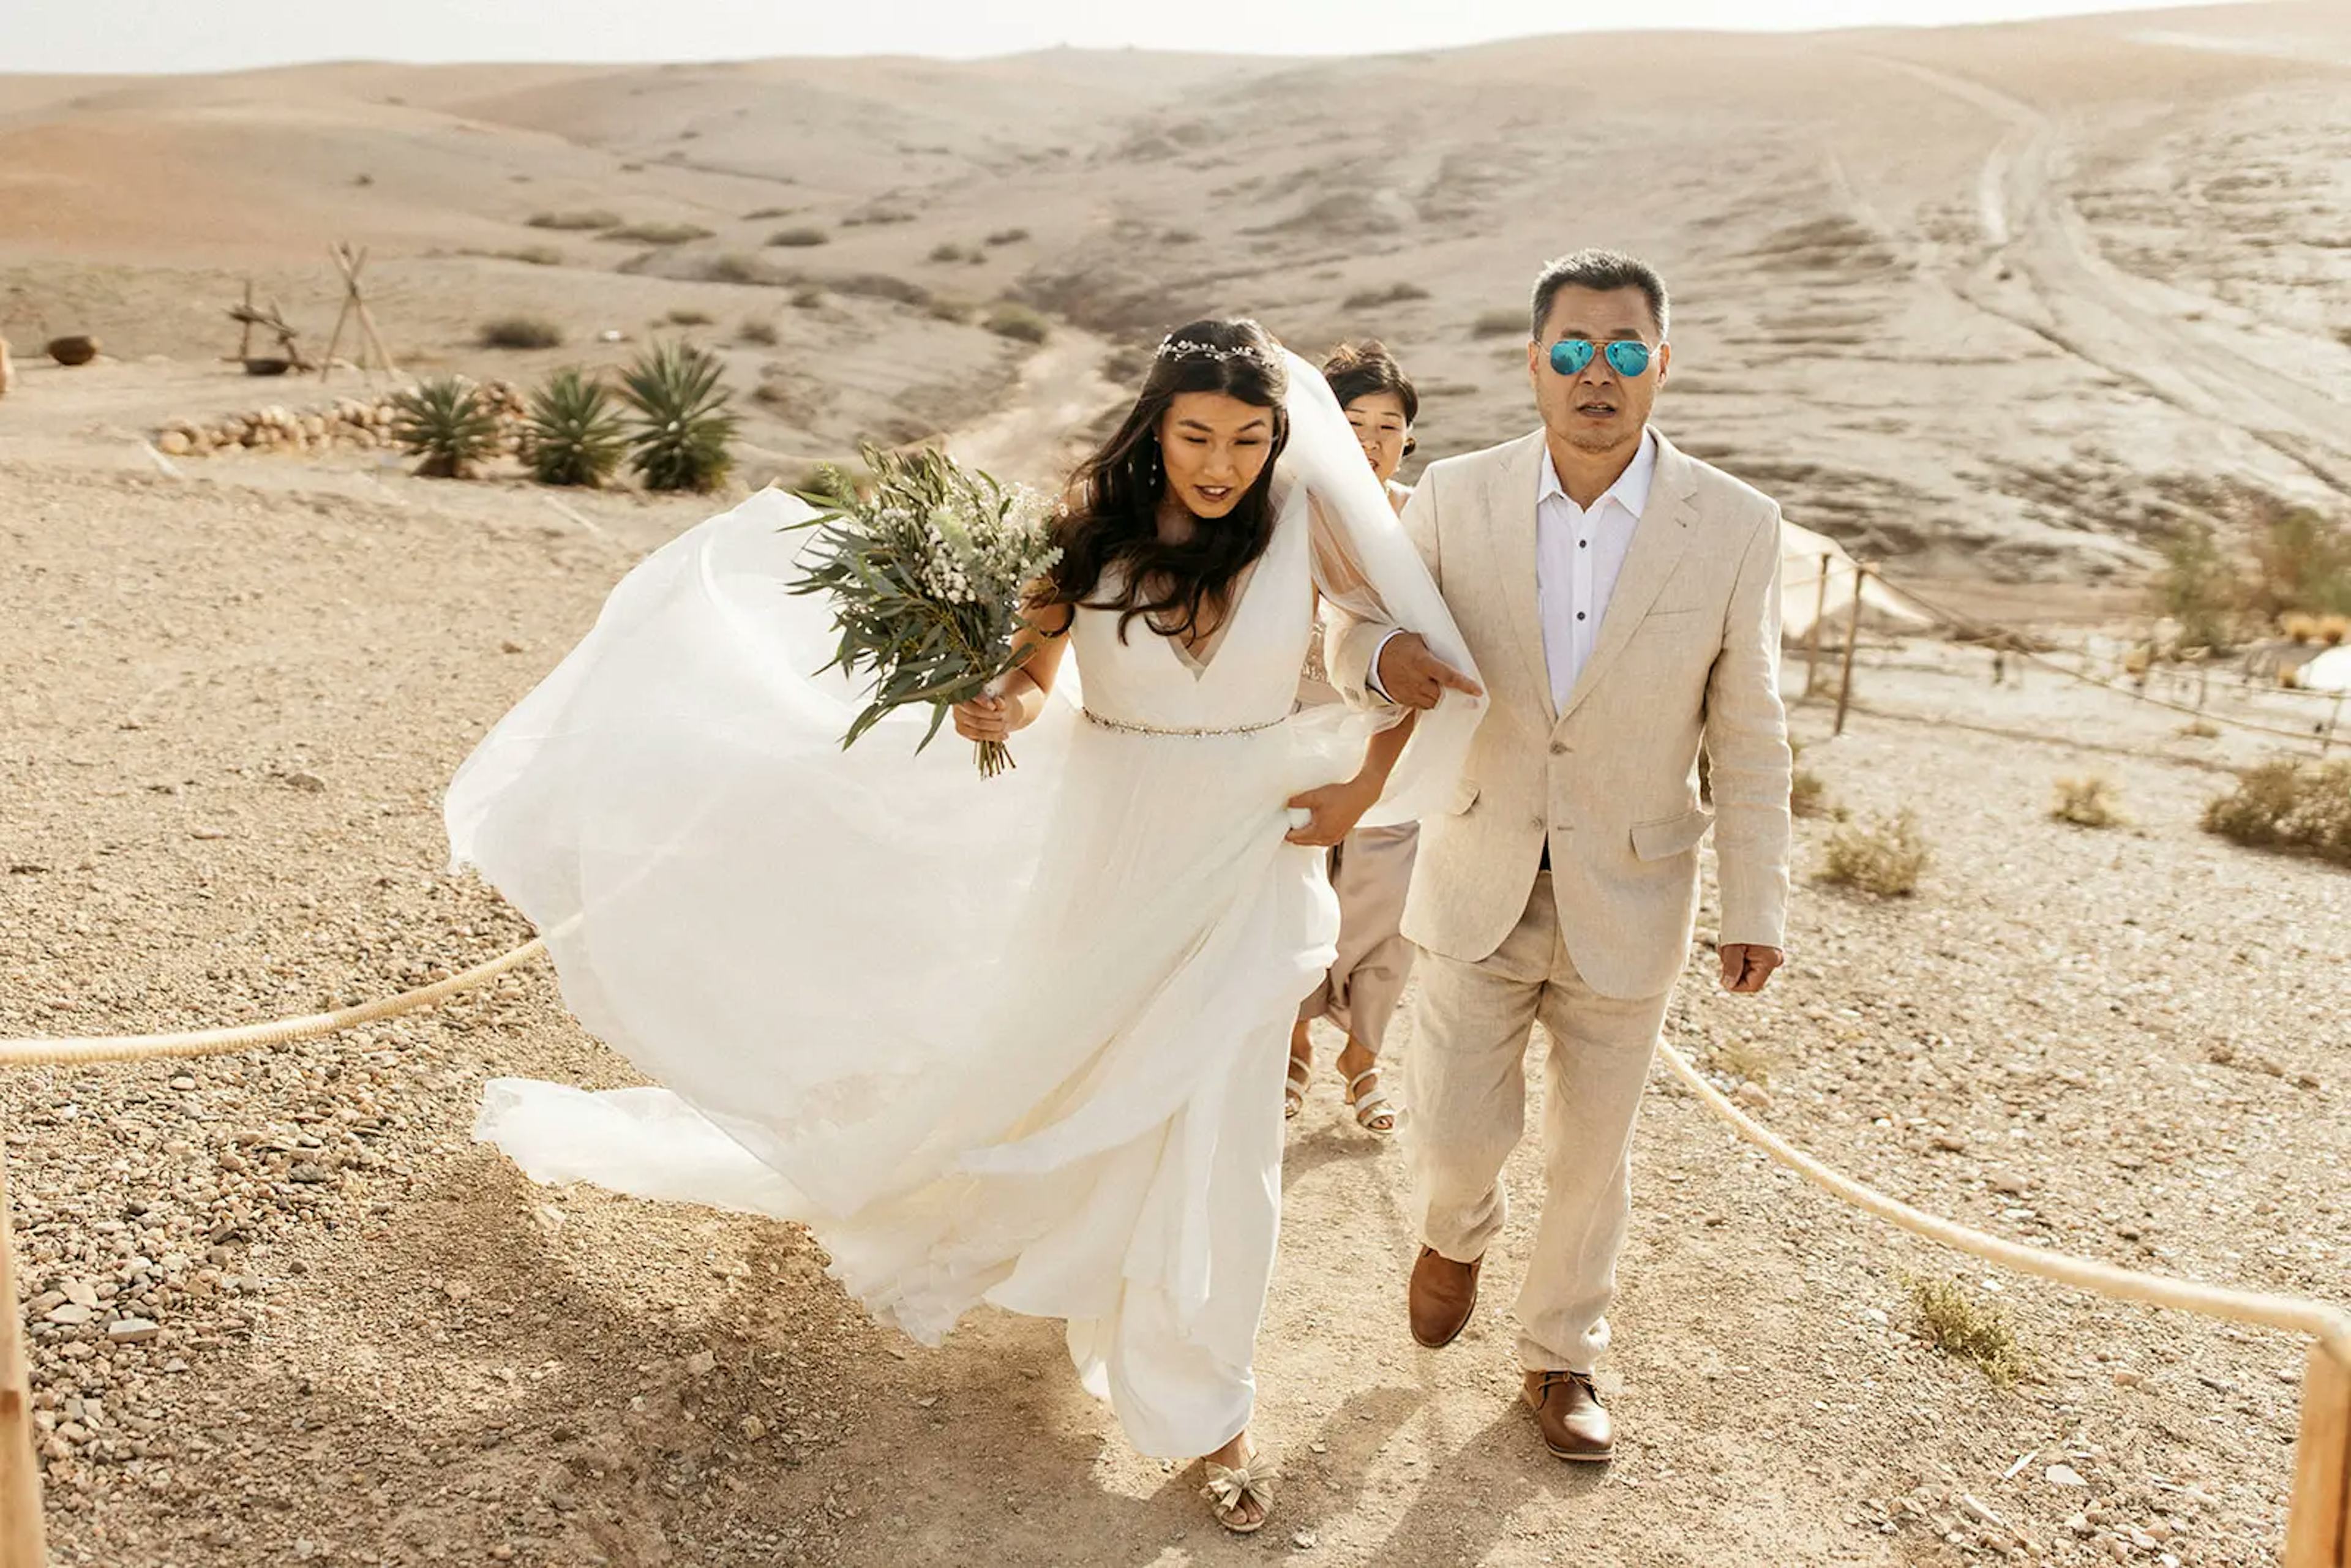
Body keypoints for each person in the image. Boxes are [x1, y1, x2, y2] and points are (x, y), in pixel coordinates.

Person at [444, 319, 1485, 1534]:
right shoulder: (1086, 527)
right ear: (1156, 426)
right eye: (1198, 435)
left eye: (1250, 440)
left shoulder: (1306, 521)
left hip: (1247, 848)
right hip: (1114, 848)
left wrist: (1363, 781)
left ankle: (1210, 1406)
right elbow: (1038, 677)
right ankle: (1083, 1278)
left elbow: (1391, 652)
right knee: (1082, 1093)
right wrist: (1000, 703)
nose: (1223, 463)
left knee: (1225, 1127)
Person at [1325, 250, 1793, 1463]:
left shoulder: (1738, 527)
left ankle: (1562, 1355)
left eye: (1626, 351)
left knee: (1596, 1153)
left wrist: (1759, 901)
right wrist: (1382, 664)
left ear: (1661, 366)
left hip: (1635, 890)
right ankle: (1454, 1229)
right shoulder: (1458, 498)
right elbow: (1355, 629)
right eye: (1574, 351)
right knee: (1457, 1134)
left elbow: (1749, 731)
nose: (1600, 373)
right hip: (1477, 867)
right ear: (1535, 364)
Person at [1288, 340, 1422, 1135]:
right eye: (1353, 420)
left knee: (1383, 903)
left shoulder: (1425, 515)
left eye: (1389, 423)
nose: (1372, 439)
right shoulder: (1286, 510)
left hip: (1396, 738)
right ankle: (1296, 1045)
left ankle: (1363, 1055)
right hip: (1299, 729)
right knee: (1297, 887)